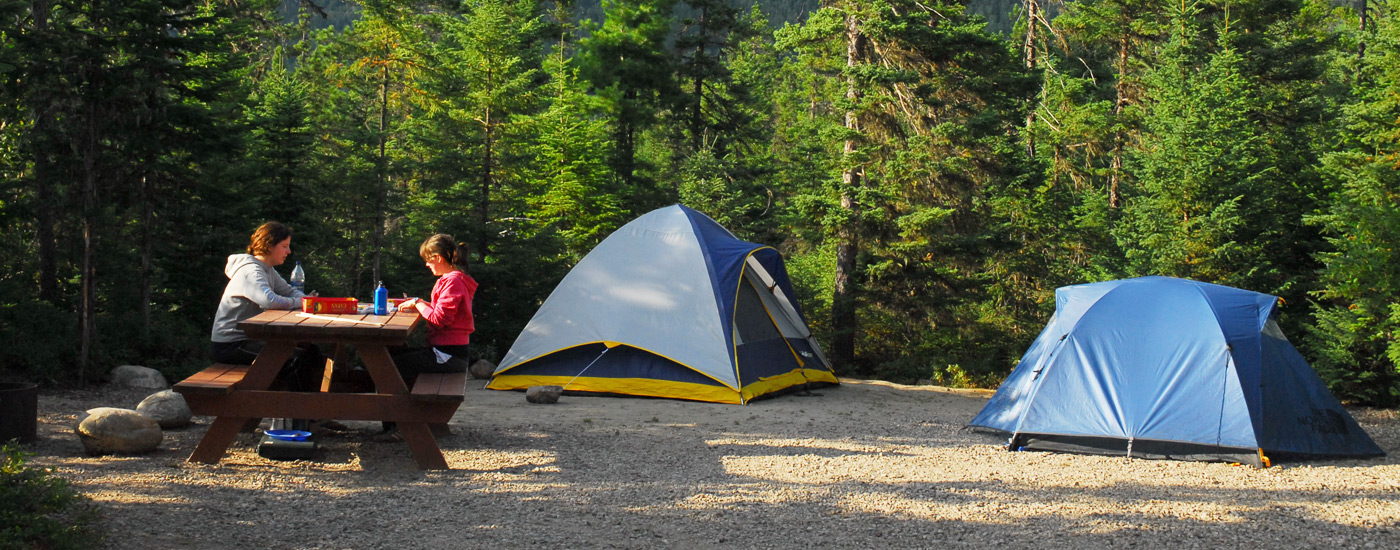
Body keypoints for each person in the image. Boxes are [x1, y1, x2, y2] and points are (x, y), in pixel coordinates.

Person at [378, 234, 478, 442]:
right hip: (444, 352)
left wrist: (417, 303)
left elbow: (438, 319)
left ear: (438, 258)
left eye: (428, 259)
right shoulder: (450, 280)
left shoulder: (453, 282)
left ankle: (399, 427)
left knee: (389, 366)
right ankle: (395, 423)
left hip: (448, 355)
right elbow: (440, 313)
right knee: (390, 357)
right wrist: (420, 302)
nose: (426, 264)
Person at [210, 221, 323, 396]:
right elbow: (269, 301)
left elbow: (289, 291)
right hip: (232, 344)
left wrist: (306, 299)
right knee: (295, 359)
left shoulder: (267, 270)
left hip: (250, 339)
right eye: (284, 246)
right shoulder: (251, 271)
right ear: (269, 246)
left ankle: (313, 412)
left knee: (310, 350)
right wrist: (302, 303)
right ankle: (302, 417)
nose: (288, 252)